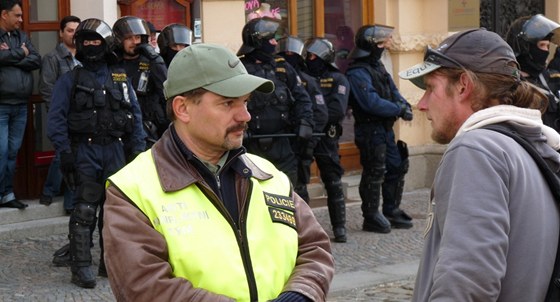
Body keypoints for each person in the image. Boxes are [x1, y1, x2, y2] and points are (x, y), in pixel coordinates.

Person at [103, 43, 334, 301]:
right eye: (227, 103)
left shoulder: (267, 175)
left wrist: (299, 294)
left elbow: (315, 248)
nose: (245, 115)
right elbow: (145, 288)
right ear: (183, 108)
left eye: (245, 102)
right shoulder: (132, 189)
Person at [399, 28, 560, 302]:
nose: (422, 104)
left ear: (463, 85)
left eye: (429, 88)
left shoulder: (476, 150)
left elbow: (466, 282)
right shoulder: (534, 146)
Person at [47, 18, 146, 289]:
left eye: (96, 41)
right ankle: (80, 267)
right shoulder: (69, 80)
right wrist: (65, 152)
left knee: (115, 212)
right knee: (85, 209)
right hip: (85, 151)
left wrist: (138, 149)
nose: (91, 46)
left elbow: (135, 115)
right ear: (79, 44)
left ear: (106, 44)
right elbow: (55, 119)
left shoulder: (120, 77)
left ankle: (108, 263)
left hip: (115, 151)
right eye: (86, 41)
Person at [346, 24, 413, 233]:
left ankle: (391, 210)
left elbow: (393, 91)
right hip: (369, 130)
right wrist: (398, 109)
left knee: (396, 165)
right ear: (371, 45)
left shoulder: (378, 67)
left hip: (385, 129)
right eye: (382, 43)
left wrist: (404, 105)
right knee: (375, 171)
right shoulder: (357, 72)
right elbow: (371, 102)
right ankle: (371, 215)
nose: (385, 46)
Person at [238, 17, 314, 185]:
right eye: (271, 39)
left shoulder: (283, 67)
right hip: (251, 147)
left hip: (283, 145)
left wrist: (305, 122)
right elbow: (230, 105)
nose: (275, 43)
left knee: (290, 194)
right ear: (259, 42)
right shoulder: (239, 68)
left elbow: (302, 98)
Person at [304, 37, 350, 242]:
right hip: (307, 134)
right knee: (300, 181)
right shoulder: (302, 77)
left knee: (332, 180)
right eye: (308, 55)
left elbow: (336, 109)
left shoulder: (337, 79)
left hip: (326, 136)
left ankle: (339, 226)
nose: (310, 59)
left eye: (314, 56)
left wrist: (315, 119)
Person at [275, 35, 328, 203]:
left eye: (292, 54)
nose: (288, 57)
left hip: (301, 144)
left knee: (298, 190)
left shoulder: (307, 81)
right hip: (280, 142)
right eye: (285, 53)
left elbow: (320, 114)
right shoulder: (272, 76)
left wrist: (308, 140)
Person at [0, 0, 41, 209]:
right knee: (1, 151)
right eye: (17, 15)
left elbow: (36, 59)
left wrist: (10, 56)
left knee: (13, 152)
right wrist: (21, 53)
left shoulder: (22, 36)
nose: (21, 20)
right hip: (2, 105)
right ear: (4, 14)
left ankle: (6, 194)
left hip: (21, 105)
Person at [38, 15, 81, 211]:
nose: (74, 35)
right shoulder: (52, 58)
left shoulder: (83, 56)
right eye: (70, 31)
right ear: (61, 33)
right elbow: (47, 89)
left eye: (76, 31)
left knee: (77, 155)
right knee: (60, 154)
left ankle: (70, 203)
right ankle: (49, 191)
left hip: (81, 115)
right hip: (62, 114)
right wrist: (57, 113)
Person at [113, 16, 168, 147]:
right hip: (120, 126)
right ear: (120, 40)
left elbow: (165, 87)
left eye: (137, 38)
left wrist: (155, 59)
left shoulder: (152, 61)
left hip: (148, 128)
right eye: (129, 38)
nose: (134, 42)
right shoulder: (114, 64)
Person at [505, 14, 560, 132]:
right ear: (525, 47)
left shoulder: (552, 79)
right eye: (541, 45)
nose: (545, 51)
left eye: (548, 46)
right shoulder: (507, 84)